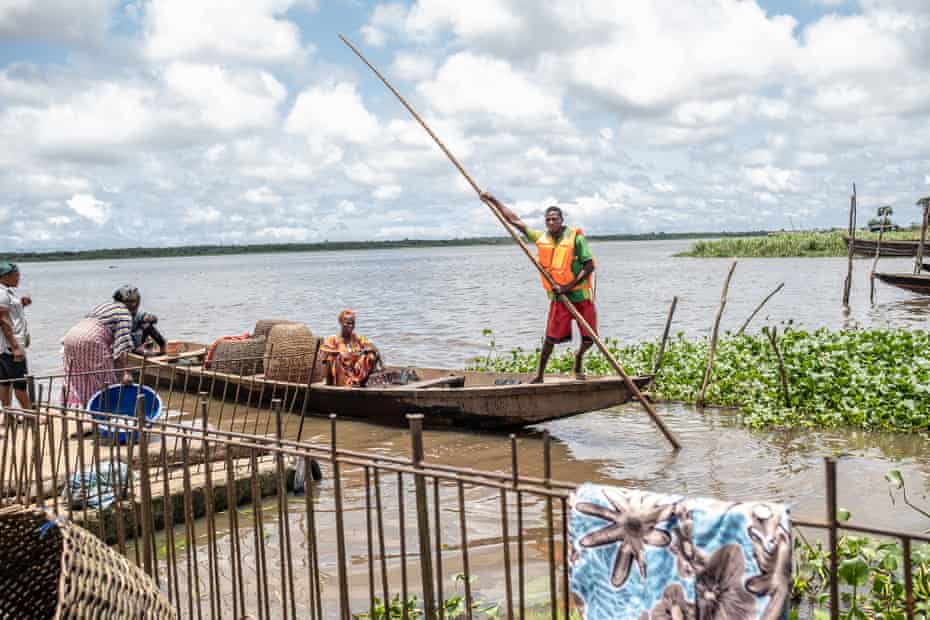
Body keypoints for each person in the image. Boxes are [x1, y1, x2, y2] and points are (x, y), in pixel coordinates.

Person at [481, 193, 596, 383]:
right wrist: (493, 200)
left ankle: (578, 358)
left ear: (562, 220)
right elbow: (515, 221)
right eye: (548, 219)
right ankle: (540, 375)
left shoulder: (576, 238)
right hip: (559, 299)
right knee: (550, 338)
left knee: (589, 339)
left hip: (579, 295)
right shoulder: (541, 237)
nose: (551, 222)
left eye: (555, 219)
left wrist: (568, 287)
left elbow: (589, 265)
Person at [62, 285, 138, 407]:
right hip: (92, 339)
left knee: (76, 377)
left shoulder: (105, 306)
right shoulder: (124, 313)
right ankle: (105, 410)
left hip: (70, 337)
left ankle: (75, 409)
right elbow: (122, 345)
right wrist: (124, 373)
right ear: (133, 303)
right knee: (105, 378)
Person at [0, 262, 33, 412]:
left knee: (5, 382)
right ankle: (30, 415)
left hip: (4, 347)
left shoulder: (6, 292)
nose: (18, 278)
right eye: (16, 275)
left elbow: (8, 313)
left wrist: (21, 303)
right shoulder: (2, 294)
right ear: (6, 276)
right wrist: (15, 347)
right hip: (10, 347)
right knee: (20, 383)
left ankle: (7, 415)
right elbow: (3, 320)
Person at [320, 310, 380, 387]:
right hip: (340, 373)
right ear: (341, 323)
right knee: (334, 357)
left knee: (371, 355)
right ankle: (341, 384)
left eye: (352, 323)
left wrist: (362, 351)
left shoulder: (358, 338)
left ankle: (361, 382)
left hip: (356, 372)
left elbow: (371, 347)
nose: (351, 326)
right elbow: (323, 350)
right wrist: (339, 352)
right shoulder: (334, 339)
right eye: (348, 323)